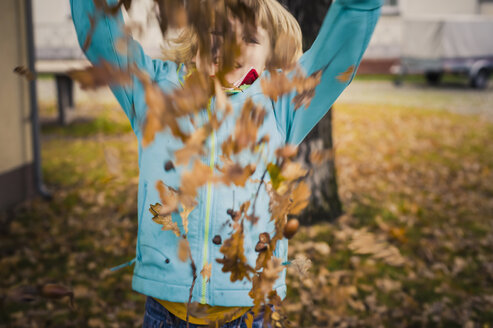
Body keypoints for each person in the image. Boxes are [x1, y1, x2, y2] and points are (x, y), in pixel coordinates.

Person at [70, 0, 382, 326]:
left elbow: (338, 58)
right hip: (167, 312)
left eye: (249, 38)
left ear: (271, 57)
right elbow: (102, 36)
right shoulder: (154, 91)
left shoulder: (281, 104)